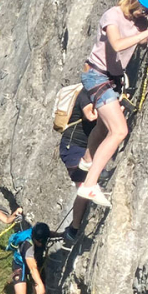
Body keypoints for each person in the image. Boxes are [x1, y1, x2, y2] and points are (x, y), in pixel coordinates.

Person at [76, 0, 148, 207]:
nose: (146, 15)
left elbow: (145, 43)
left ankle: (88, 161)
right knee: (119, 131)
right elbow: (118, 44)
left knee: (103, 126)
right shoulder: (112, 15)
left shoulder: (140, 24)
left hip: (112, 79)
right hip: (96, 75)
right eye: (144, 9)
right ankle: (89, 185)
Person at [56, 86, 97, 246]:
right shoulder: (86, 93)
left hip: (84, 147)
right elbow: (90, 115)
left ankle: (73, 228)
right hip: (73, 148)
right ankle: (74, 228)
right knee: (83, 188)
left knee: (86, 186)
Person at [6, 221, 45, 294]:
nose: (40, 243)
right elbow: (32, 268)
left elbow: (50, 234)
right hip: (20, 266)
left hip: (33, 264)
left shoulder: (42, 235)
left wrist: (61, 234)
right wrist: (41, 285)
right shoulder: (28, 246)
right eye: (38, 241)